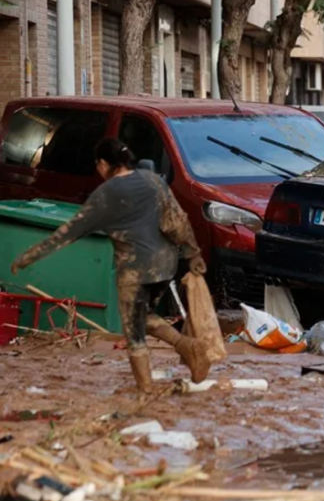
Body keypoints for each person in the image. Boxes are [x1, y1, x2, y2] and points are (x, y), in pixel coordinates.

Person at [11, 138, 211, 395]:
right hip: (165, 264)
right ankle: (186, 346)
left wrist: (29, 256)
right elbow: (177, 221)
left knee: (133, 333)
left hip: (135, 270)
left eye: (98, 165)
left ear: (105, 164)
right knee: (145, 317)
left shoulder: (105, 195)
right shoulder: (152, 180)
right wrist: (193, 254)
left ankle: (147, 388)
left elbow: (68, 232)